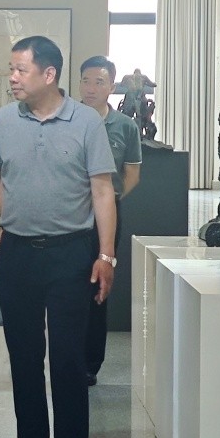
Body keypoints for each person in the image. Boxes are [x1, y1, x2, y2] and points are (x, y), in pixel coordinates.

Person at [0, 36, 116, 438]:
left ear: (49, 75)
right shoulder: (2, 121)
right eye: (11, 69)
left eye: (21, 69)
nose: (11, 77)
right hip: (17, 254)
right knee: (24, 358)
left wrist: (106, 255)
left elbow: (102, 191)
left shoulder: (85, 122)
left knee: (68, 361)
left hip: (72, 254)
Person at [79, 55, 142, 386]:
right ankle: (67, 358)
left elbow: (131, 175)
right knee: (68, 288)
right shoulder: (67, 119)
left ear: (112, 87)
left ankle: (90, 363)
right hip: (69, 216)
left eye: (99, 82)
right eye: (86, 81)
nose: (91, 89)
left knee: (97, 287)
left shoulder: (125, 126)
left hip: (105, 218)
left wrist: (109, 202)